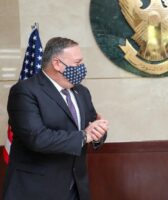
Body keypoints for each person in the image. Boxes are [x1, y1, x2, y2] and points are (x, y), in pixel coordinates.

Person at [3, 37, 108, 200]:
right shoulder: (25, 91)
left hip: (76, 189)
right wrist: (84, 136)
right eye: (77, 62)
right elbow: (37, 138)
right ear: (57, 63)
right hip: (36, 190)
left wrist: (98, 133)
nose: (82, 67)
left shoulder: (82, 92)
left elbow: (91, 127)